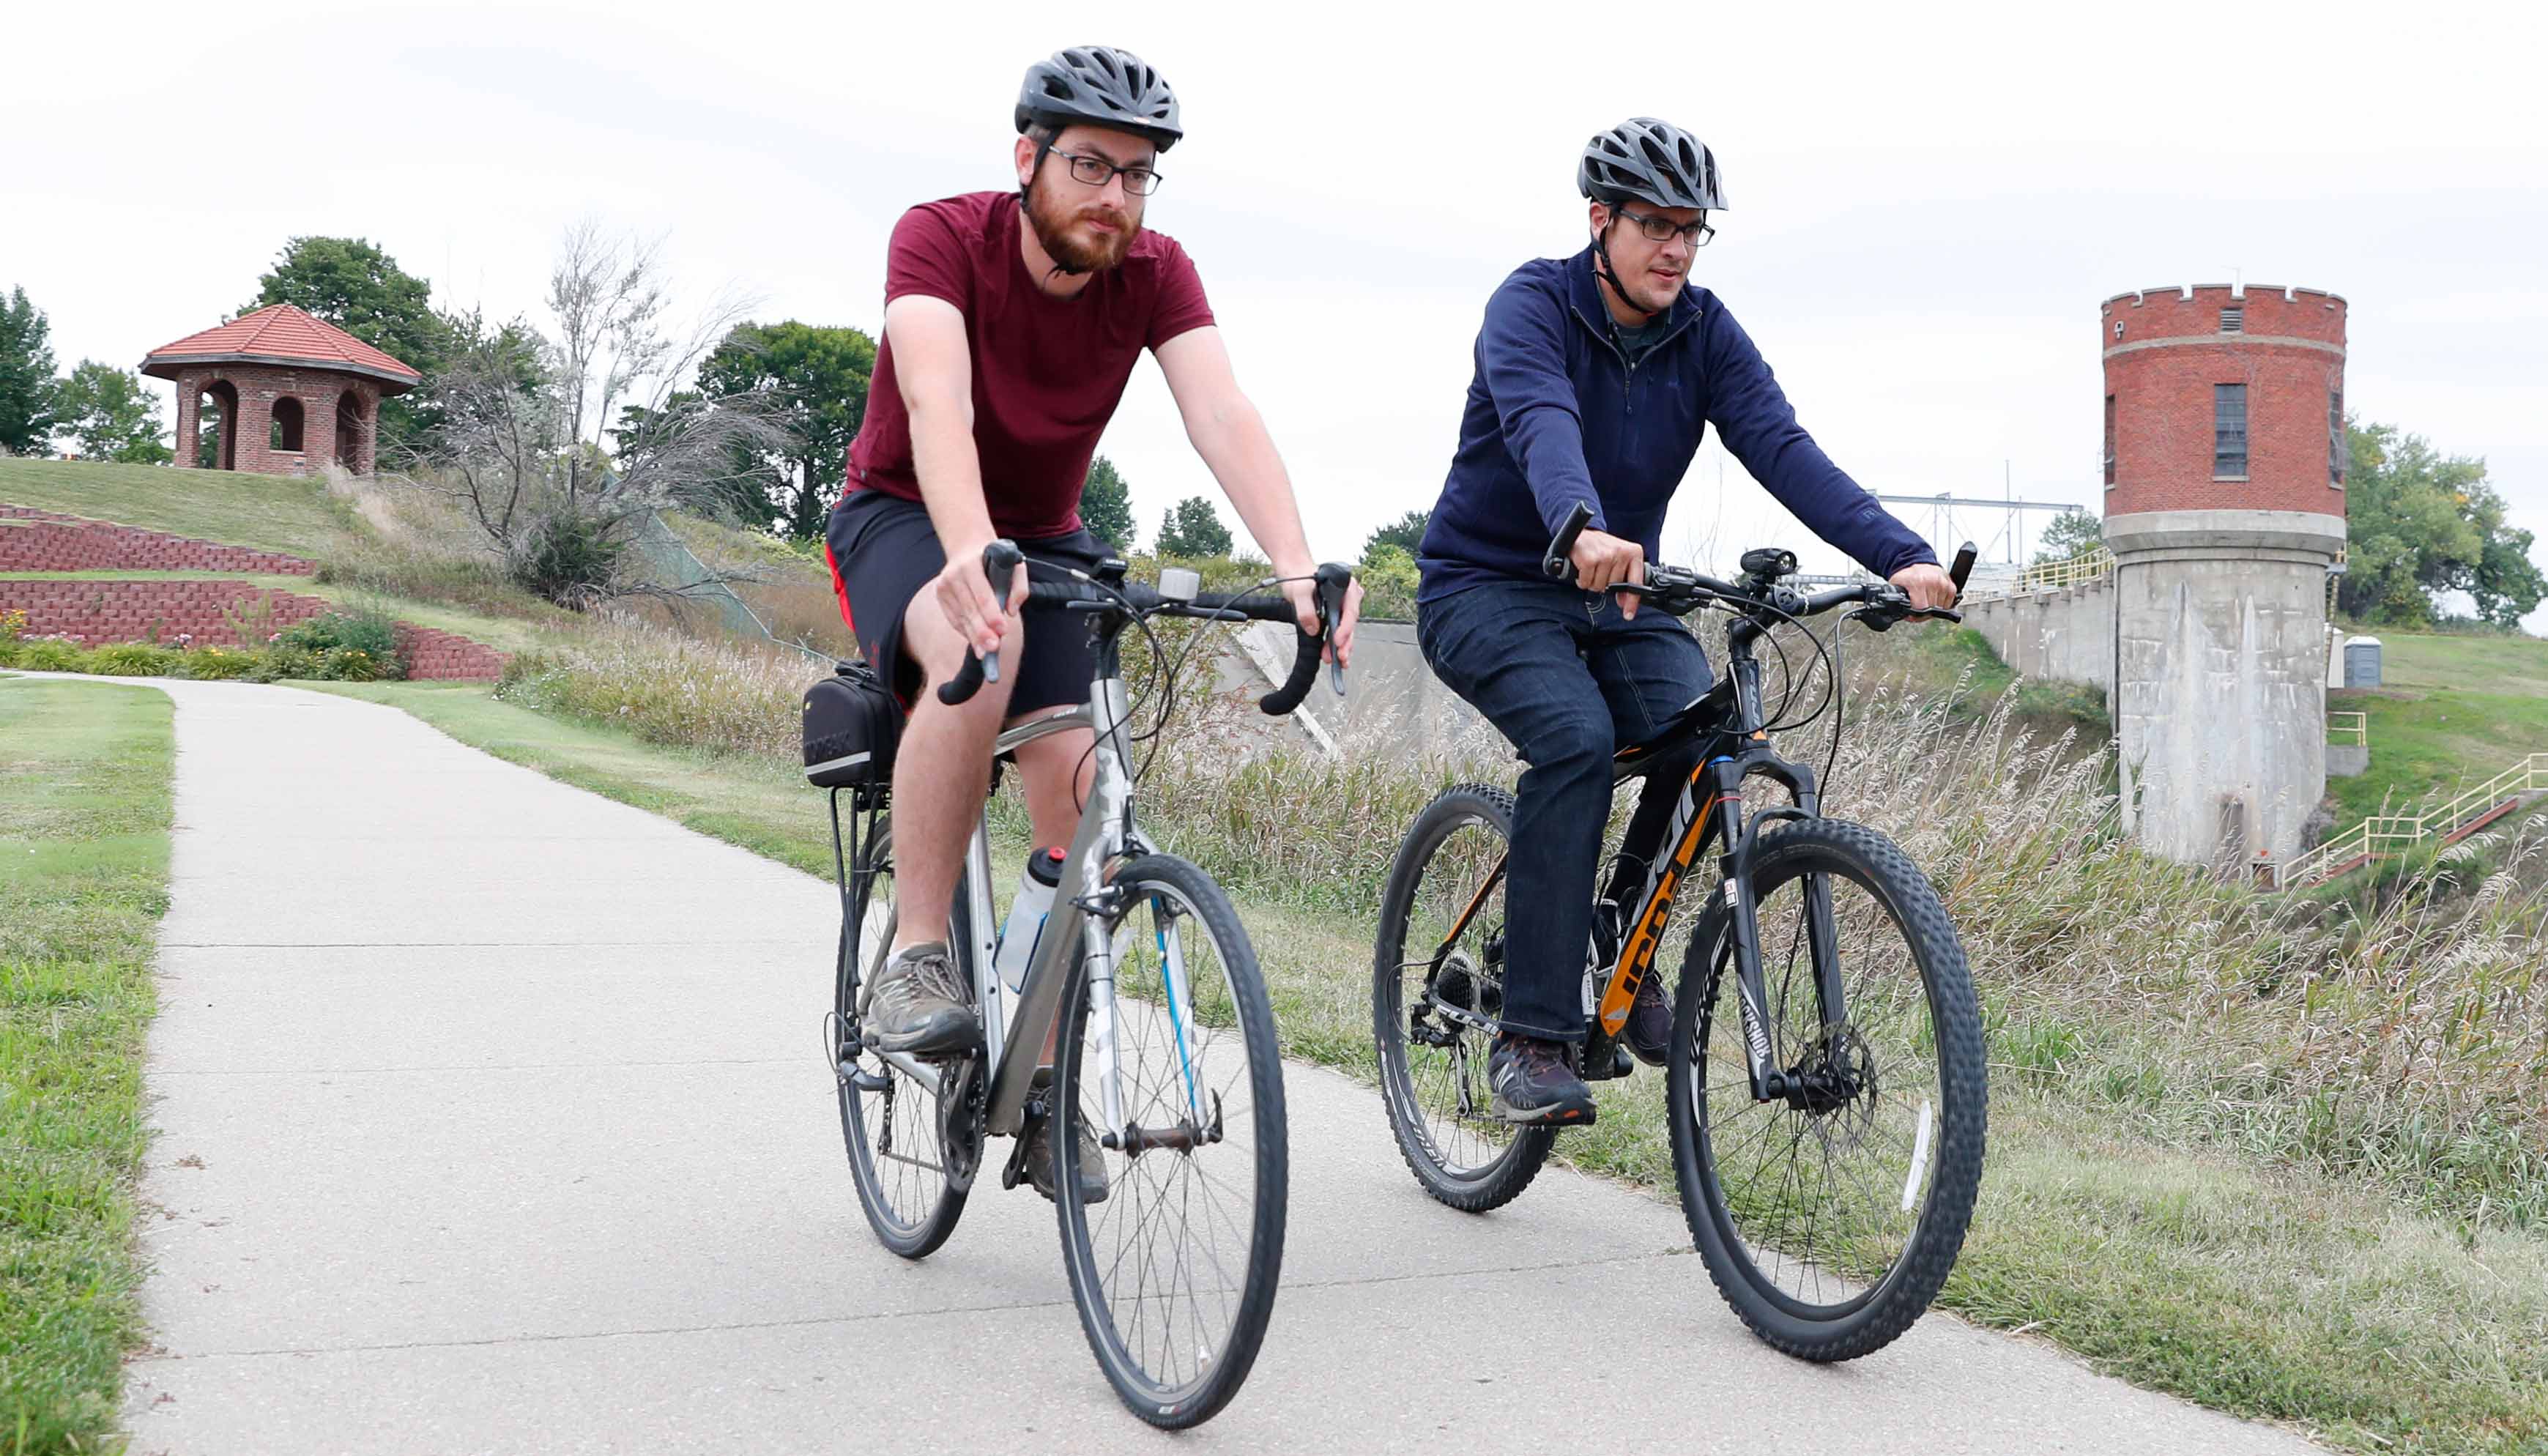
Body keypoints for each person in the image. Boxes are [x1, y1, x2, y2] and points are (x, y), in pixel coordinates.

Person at [826, 45, 1362, 1197]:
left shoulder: (1158, 272)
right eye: (1090, 167)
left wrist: (1294, 561)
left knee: (1083, 800)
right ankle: (921, 956)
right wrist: (970, 548)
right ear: (1028, 159)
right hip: (906, 510)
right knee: (986, 636)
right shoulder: (939, 236)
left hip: (1052, 534)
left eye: (1138, 175)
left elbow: (1219, 407)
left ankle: (1043, 1081)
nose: (1115, 198)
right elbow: (937, 402)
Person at [1415, 117, 1956, 1126]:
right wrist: (1579, 527)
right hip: (1485, 585)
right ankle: (1532, 1035)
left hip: (1625, 595)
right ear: (1601, 220)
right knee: (1574, 740)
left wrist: (1900, 556)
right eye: (1655, 225)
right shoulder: (1532, 304)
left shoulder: (1703, 331)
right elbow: (1543, 422)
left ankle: (1626, 940)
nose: (1675, 248)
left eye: (1692, 230)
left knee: (1702, 725)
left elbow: (1782, 447)